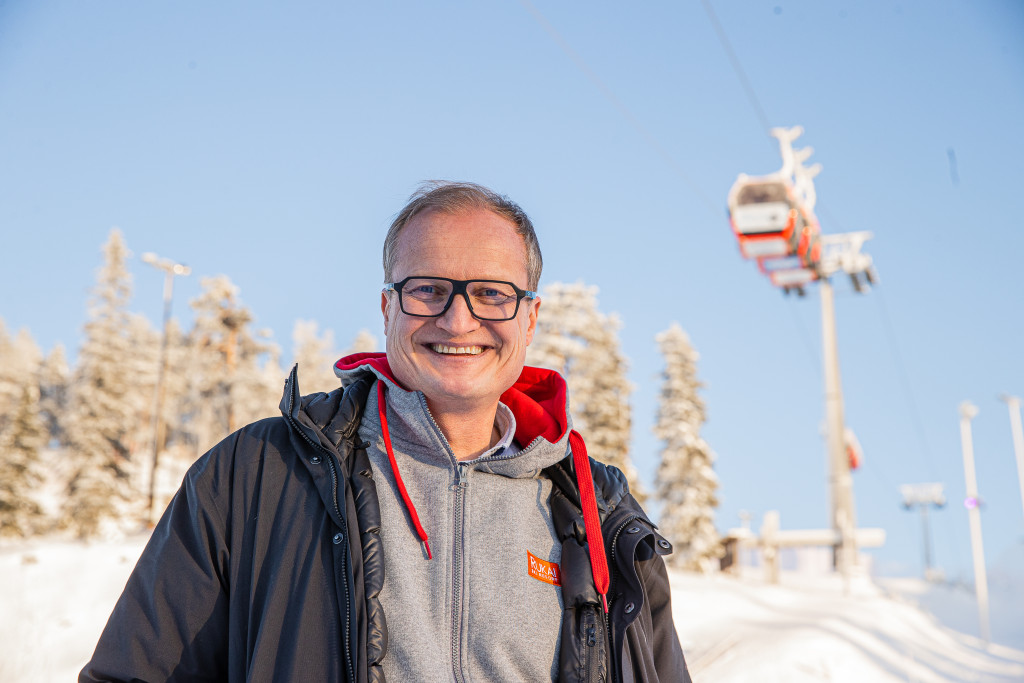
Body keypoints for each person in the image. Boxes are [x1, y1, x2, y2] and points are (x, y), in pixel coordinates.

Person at [81, 182, 691, 682]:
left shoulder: (602, 517)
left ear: (529, 318)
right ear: (387, 308)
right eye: (428, 290)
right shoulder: (256, 477)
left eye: (491, 293)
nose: (459, 319)